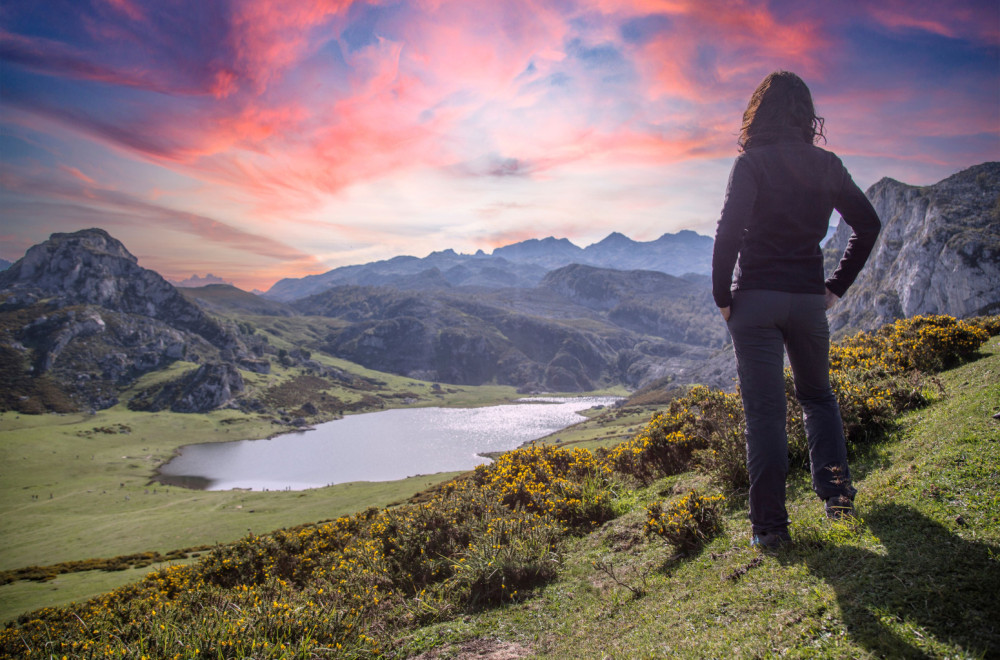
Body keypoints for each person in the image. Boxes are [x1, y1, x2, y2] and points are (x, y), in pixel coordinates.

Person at [711, 71, 881, 549]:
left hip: (756, 301)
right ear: (808, 116)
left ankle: (769, 530)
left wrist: (723, 297)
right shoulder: (826, 165)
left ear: (758, 112)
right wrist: (835, 288)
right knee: (818, 397)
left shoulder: (751, 164)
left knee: (764, 413)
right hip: (808, 299)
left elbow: (727, 233)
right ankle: (838, 501)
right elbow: (868, 225)